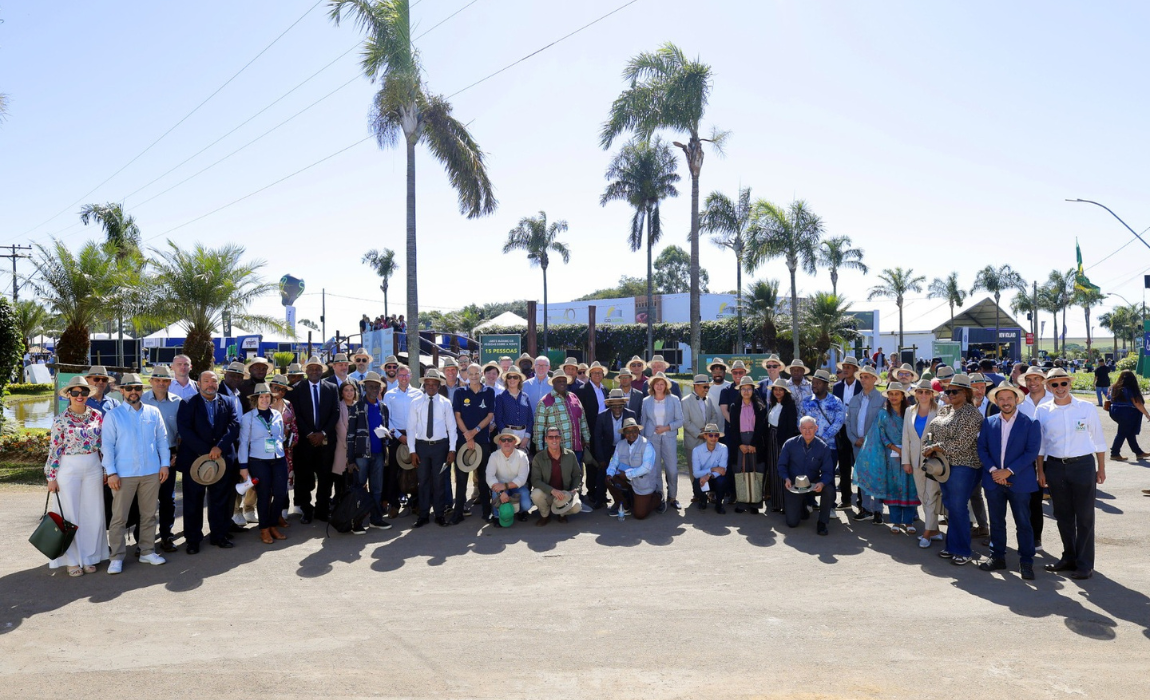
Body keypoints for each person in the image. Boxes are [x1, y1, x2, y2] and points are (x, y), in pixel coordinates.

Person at [1034, 368, 1106, 580]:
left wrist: (1101, 468)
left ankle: (1085, 564)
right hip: (1055, 467)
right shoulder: (1042, 410)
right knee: (1063, 515)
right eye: (1054, 384)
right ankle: (1069, 557)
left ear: (1070, 384)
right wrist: (1041, 470)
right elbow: (1040, 445)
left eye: (1063, 383)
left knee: (1085, 516)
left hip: (1082, 465)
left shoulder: (1086, 407)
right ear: (1048, 387)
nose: (1059, 388)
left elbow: (1098, 439)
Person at [102, 374, 170, 574]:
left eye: (137, 388)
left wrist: (165, 465)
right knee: (119, 518)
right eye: (129, 388)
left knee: (149, 515)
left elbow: (162, 440)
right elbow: (107, 446)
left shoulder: (153, 412)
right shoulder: (113, 415)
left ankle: (147, 551)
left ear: (142, 390)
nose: (133, 392)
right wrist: (111, 472)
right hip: (124, 474)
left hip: (151, 471)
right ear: (121, 390)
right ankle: (116, 557)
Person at [976, 381, 1042, 579]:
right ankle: (997, 557)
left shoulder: (1030, 423)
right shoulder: (988, 422)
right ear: (996, 401)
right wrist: (995, 471)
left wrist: (1009, 472)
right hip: (993, 480)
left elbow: (1031, 452)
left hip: (1020, 481)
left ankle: (1026, 561)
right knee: (996, 522)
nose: (1006, 402)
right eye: (1002, 399)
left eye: (1009, 398)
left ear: (1016, 400)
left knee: (1023, 522)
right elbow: (982, 449)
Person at [45, 377, 107, 576]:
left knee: (92, 512)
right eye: (75, 393)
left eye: (84, 392)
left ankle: (89, 557)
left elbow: (103, 445)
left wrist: (107, 469)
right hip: (68, 467)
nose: (80, 396)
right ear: (68, 395)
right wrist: (51, 477)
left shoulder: (97, 415)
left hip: (93, 466)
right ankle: (71, 560)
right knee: (69, 514)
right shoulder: (60, 419)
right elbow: (55, 449)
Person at [176, 370, 241, 554]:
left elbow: (234, 425)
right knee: (193, 501)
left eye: (214, 381)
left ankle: (219, 535)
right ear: (198, 384)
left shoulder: (227, 401)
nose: (210, 384)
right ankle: (193, 540)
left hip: (222, 458)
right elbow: (185, 430)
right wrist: (207, 451)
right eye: (206, 381)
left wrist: (219, 448)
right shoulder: (188, 403)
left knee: (220, 500)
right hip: (195, 460)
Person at [923, 374, 984, 566]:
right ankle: (952, 547)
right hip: (943, 466)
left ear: (966, 393)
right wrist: (928, 445)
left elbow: (962, 444)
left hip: (965, 465)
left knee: (957, 507)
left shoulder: (973, 414)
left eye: (954, 391)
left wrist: (936, 447)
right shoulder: (945, 410)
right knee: (951, 506)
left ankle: (963, 550)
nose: (950, 394)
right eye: (948, 391)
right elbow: (931, 432)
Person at [860, 382, 918, 533]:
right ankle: (895, 521)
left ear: (902, 396)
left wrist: (906, 450)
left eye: (896, 394)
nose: (893, 397)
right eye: (891, 394)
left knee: (910, 486)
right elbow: (881, 434)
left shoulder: (911, 412)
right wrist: (894, 448)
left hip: (910, 454)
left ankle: (909, 522)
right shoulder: (882, 413)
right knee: (893, 487)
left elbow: (915, 432)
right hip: (890, 456)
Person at [238, 383, 291, 544]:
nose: (265, 399)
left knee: (281, 493)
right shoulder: (248, 417)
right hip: (258, 461)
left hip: (278, 459)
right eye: (261, 397)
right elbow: (243, 443)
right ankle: (264, 529)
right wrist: (243, 466)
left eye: (267, 396)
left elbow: (280, 436)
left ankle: (273, 524)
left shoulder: (276, 415)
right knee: (264, 495)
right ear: (256, 399)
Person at [291, 356, 340, 524]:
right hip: (305, 443)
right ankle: (306, 510)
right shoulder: (297, 389)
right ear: (306, 370)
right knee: (304, 478)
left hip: (326, 442)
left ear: (322, 371)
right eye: (311, 368)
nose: (314, 371)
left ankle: (322, 510)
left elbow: (335, 412)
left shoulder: (331, 388)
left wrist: (323, 433)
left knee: (325, 478)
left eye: (318, 368)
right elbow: (296, 414)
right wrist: (310, 434)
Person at [408, 369, 457, 528]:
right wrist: (412, 451)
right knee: (423, 481)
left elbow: (452, 428)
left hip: (440, 447)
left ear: (438, 385)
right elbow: (411, 428)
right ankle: (423, 515)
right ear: (424, 384)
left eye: (434, 383)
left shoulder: (445, 403)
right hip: (422, 446)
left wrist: (452, 449)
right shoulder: (416, 402)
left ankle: (439, 514)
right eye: (427, 383)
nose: (430, 386)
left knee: (439, 481)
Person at [142, 365, 182, 553]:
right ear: (151, 381)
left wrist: (177, 454)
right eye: (157, 380)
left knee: (167, 499)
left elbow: (182, 432)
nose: (161, 383)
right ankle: (143, 540)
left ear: (170, 382)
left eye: (165, 380)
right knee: (144, 500)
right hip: (146, 455)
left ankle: (166, 535)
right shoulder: (141, 400)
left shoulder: (178, 402)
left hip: (169, 454)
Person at [346, 372, 392, 532]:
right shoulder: (357, 407)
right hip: (361, 455)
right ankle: (357, 522)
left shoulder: (383, 407)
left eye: (376, 387)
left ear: (380, 389)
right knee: (359, 489)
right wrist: (350, 460)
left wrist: (387, 435)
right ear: (365, 388)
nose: (374, 389)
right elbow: (350, 435)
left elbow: (385, 428)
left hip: (378, 454)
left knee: (377, 489)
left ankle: (376, 519)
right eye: (370, 386)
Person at [452, 364, 496, 524]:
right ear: (466, 375)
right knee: (461, 478)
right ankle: (458, 513)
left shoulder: (489, 392)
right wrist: (468, 436)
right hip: (463, 440)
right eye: (470, 374)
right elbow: (457, 416)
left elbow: (490, 415)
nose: (473, 376)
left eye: (476, 373)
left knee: (483, 477)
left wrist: (475, 431)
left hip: (482, 440)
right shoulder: (459, 392)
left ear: (481, 374)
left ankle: (486, 511)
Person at [777, 416, 835, 535]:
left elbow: (828, 471)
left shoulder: (823, 447)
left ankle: (822, 522)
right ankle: (802, 506)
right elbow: (781, 465)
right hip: (794, 485)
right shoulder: (790, 444)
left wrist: (822, 483)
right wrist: (786, 478)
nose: (807, 431)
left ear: (816, 428)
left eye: (810, 428)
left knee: (829, 490)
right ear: (800, 429)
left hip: (813, 483)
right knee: (792, 523)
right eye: (804, 428)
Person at [903, 379, 943, 548]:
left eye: (927, 392)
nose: (924, 395)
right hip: (915, 460)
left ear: (932, 394)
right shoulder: (909, 411)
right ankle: (935, 530)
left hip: (934, 461)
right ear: (916, 394)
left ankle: (927, 532)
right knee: (922, 495)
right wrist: (906, 461)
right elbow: (906, 437)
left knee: (930, 495)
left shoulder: (940, 411)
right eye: (920, 391)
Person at [1017, 366, 1052, 551]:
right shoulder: (1021, 403)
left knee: (1062, 502)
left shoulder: (1055, 399)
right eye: (1029, 380)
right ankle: (1035, 538)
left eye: (1036, 379)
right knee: (1034, 500)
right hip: (1030, 459)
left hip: (1053, 457)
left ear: (1043, 380)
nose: (1032, 383)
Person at [639, 372, 683, 512]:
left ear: (666, 385)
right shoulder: (646, 401)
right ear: (652, 385)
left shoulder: (674, 399)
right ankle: (660, 498)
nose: (659, 386)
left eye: (662, 384)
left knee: (672, 470)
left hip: (669, 437)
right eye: (657, 384)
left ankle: (673, 497)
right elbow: (643, 421)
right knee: (655, 470)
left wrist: (666, 428)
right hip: (652, 438)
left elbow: (680, 421)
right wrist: (641, 440)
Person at [846, 365, 884, 521]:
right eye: (861, 377)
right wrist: (854, 440)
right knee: (862, 477)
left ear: (874, 379)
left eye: (866, 377)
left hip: (875, 445)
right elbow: (848, 423)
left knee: (877, 476)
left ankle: (878, 510)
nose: (863, 380)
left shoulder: (882, 399)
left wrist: (869, 440)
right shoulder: (854, 399)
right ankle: (866, 508)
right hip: (858, 444)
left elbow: (882, 424)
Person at [725, 375, 768, 513]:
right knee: (740, 471)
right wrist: (740, 444)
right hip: (740, 442)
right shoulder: (734, 407)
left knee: (756, 471)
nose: (746, 391)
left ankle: (755, 504)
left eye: (749, 389)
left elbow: (761, 427)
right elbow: (733, 428)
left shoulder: (760, 407)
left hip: (756, 442)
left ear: (753, 390)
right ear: (740, 390)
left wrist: (754, 443)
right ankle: (742, 503)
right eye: (743, 389)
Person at [384, 364, 422, 518]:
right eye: (401, 375)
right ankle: (394, 504)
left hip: (415, 435)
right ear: (397, 377)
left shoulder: (418, 393)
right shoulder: (389, 395)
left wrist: (413, 436)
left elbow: (421, 417)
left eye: (406, 375)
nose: (404, 378)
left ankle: (415, 503)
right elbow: (387, 418)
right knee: (393, 471)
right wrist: (399, 436)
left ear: (411, 376)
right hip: (396, 436)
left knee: (416, 470)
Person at [605, 418, 662, 519]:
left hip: (643, 483)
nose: (631, 434)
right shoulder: (620, 444)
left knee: (639, 515)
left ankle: (657, 498)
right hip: (627, 480)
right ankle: (625, 506)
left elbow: (646, 468)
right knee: (609, 480)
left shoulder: (646, 445)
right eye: (628, 432)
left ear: (638, 431)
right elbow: (614, 462)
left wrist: (627, 475)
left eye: (634, 431)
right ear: (624, 433)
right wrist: (610, 473)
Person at [530, 426, 584, 525]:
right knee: (535, 494)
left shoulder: (570, 455)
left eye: (557, 437)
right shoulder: (538, 458)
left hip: (565, 494)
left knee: (577, 507)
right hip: (548, 494)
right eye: (550, 437)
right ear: (546, 439)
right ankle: (545, 515)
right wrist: (552, 490)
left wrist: (575, 489)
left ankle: (562, 513)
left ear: (560, 438)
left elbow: (577, 475)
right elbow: (535, 480)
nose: (554, 440)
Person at [594, 389, 638, 510]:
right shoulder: (602, 416)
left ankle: (627, 498)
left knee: (624, 471)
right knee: (602, 470)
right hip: (607, 446)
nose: (617, 408)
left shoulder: (631, 415)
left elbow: (636, 435)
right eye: (614, 406)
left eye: (620, 406)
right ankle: (600, 498)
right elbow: (597, 437)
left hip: (624, 446)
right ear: (609, 405)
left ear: (624, 404)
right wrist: (601, 458)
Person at [532, 371, 591, 461]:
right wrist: (539, 449)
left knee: (576, 470)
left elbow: (583, 420)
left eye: (564, 381)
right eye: (558, 381)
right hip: (556, 451)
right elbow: (538, 429)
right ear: (553, 383)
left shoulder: (574, 397)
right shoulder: (545, 401)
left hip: (576, 448)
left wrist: (587, 440)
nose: (562, 383)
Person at [682, 374, 720, 507]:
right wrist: (699, 433)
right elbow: (685, 422)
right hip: (693, 440)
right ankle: (697, 494)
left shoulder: (708, 400)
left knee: (709, 466)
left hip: (708, 440)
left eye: (708, 387)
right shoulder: (685, 401)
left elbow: (714, 416)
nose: (707, 389)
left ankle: (710, 492)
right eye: (704, 387)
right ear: (696, 386)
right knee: (694, 469)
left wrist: (708, 430)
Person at [766, 378, 800, 513]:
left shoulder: (790, 406)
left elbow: (791, 428)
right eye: (776, 389)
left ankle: (786, 504)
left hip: (783, 441)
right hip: (771, 439)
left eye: (781, 390)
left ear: (785, 392)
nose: (778, 392)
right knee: (773, 471)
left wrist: (787, 445)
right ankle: (776, 503)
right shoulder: (773, 404)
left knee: (783, 471)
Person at [268, 374, 297, 524]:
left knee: (283, 482)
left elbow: (294, 425)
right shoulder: (264, 402)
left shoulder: (288, 404)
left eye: (283, 389)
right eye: (276, 388)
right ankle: (268, 515)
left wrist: (293, 439)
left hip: (286, 451)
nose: (280, 392)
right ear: (270, 388)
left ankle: (281, 511)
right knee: (268, 482)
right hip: (268, 451)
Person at [488, 429, 532, 523]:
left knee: (527, 505)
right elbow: (489, 477)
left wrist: (505, 486)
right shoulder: (494, 456)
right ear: (500, 442)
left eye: (510, 440)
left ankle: (520, 511)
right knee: (496, 492)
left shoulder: (522, 456)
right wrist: (501, 491)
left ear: (515, 442)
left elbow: (522, 479)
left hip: (517, 487)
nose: (506, 442)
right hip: (500, 487)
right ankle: (496, 516)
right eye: (503, 440)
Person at [1107, 369, 1149, 461]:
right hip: (1127, 413)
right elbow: (1137, 403)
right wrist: (1147, 414)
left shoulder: (1114, 387)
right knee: (1122, 433)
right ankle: (1114, 453)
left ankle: (1138, 452)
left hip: (1114, 411)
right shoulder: (1129, 388)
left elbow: (1109, 397)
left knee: (1129, 432)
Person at [494, 365, 534, 452]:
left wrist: (526, 437)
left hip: (523, 435)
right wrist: (507, 437)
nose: (512, 379)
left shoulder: (525, 397)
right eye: (509, 377)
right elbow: (498, 419)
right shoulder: (500, 397)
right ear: (506, 379)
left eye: (515, 377)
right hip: (506, 435)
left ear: (519, 379)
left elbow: (530, 419)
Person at [691, 423, 729, 513]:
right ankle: (703, 499)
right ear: (705, 436)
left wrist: (709, 475)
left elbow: (723, 470)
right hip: (703, 479)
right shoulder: (696, 451)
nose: (713, 438)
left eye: (716, 435)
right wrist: (712, 469)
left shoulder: (723, 448)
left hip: (714, 478)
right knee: (697, 482)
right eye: (710, 435)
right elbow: (696, 473)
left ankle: (719, 504)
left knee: (722, 480)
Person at [718, 361, 750, 426]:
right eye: (735, 373)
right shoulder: (725, 391)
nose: (738, 375)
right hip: (732, 428)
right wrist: (736, 425)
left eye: (741, 372)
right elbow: (724, 411)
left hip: (750, 427)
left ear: (745, 373)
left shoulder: (753, 390)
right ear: (731, 374)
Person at [706, 358, 732, 432]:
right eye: (714, 372)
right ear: (711, 373)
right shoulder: (707, 388)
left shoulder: (730, 387)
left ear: (725, 372)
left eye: (720, 372)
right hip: (711, 429)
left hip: (728, 428)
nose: (717, 375)